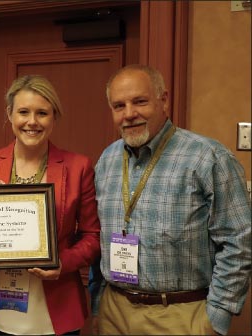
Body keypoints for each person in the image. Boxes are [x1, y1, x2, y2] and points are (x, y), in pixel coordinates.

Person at [92, 64, 251, 335]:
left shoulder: (208, 157)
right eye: (119, 106)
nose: (129, 114)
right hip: (113, 311)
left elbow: (240, 241)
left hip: (180, 315)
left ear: (163, 100)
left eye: (140, 102)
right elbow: (98, 238)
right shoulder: (106, 160)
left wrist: (216, 318)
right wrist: (98, 306)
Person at [0, 75, 101, 335]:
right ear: (10, 114)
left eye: (42, 113)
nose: (32, 122)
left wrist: (62, 262)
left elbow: (92, 238)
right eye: (23, 112)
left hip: (54, 310)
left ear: (54, 117)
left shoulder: (77, 167)